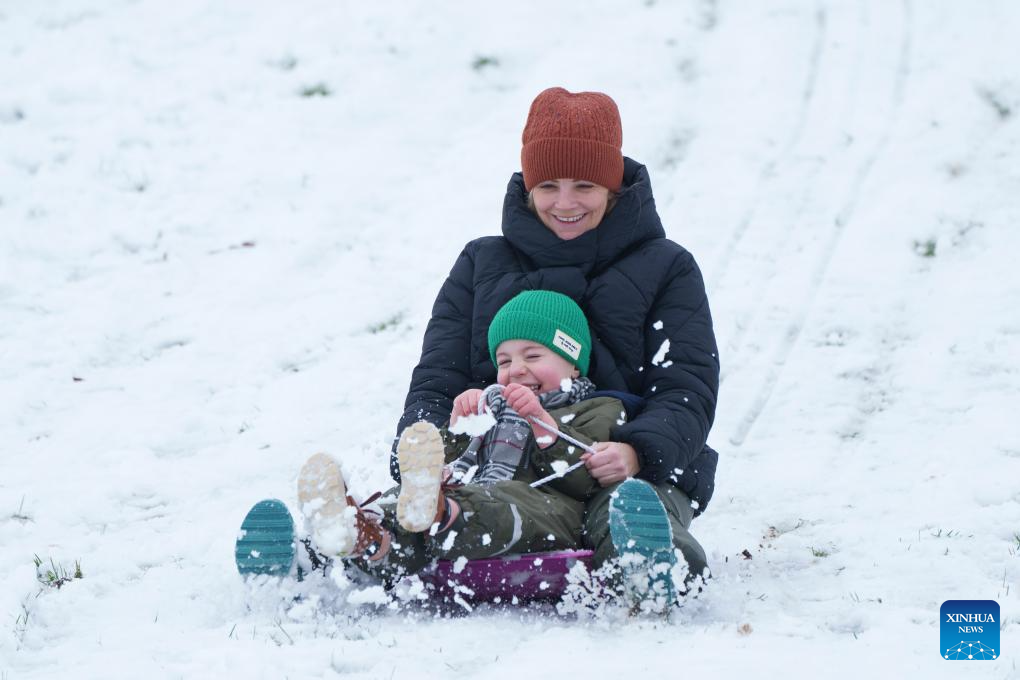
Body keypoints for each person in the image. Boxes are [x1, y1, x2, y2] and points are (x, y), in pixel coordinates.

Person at [393, 86, 719, 586]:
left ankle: (654, 567)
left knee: (625, 511)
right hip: (503, 468)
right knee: (434, 509)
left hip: (619, 467)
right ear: (528, 187)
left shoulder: (666, 268)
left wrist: (638, 452)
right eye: (548, 186)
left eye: (585, 185)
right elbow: (438, 377)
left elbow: (686, 388)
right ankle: (342, 543)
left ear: (613, 187)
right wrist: (429, 452)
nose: (565, 203)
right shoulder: (482, 263)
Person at [294, 291, 627, 583]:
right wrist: (460, 428)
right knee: (407, 502)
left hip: (545, 509)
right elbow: (454, 465)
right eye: (505, 360)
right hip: (469, 494)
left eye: (533, 355)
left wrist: (542, 424)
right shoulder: (492, 406)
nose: (517, 369)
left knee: (495, 502)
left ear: (574, 364)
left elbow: (584, 480)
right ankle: (362, 532)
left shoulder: (598, 408)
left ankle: (438, 511)